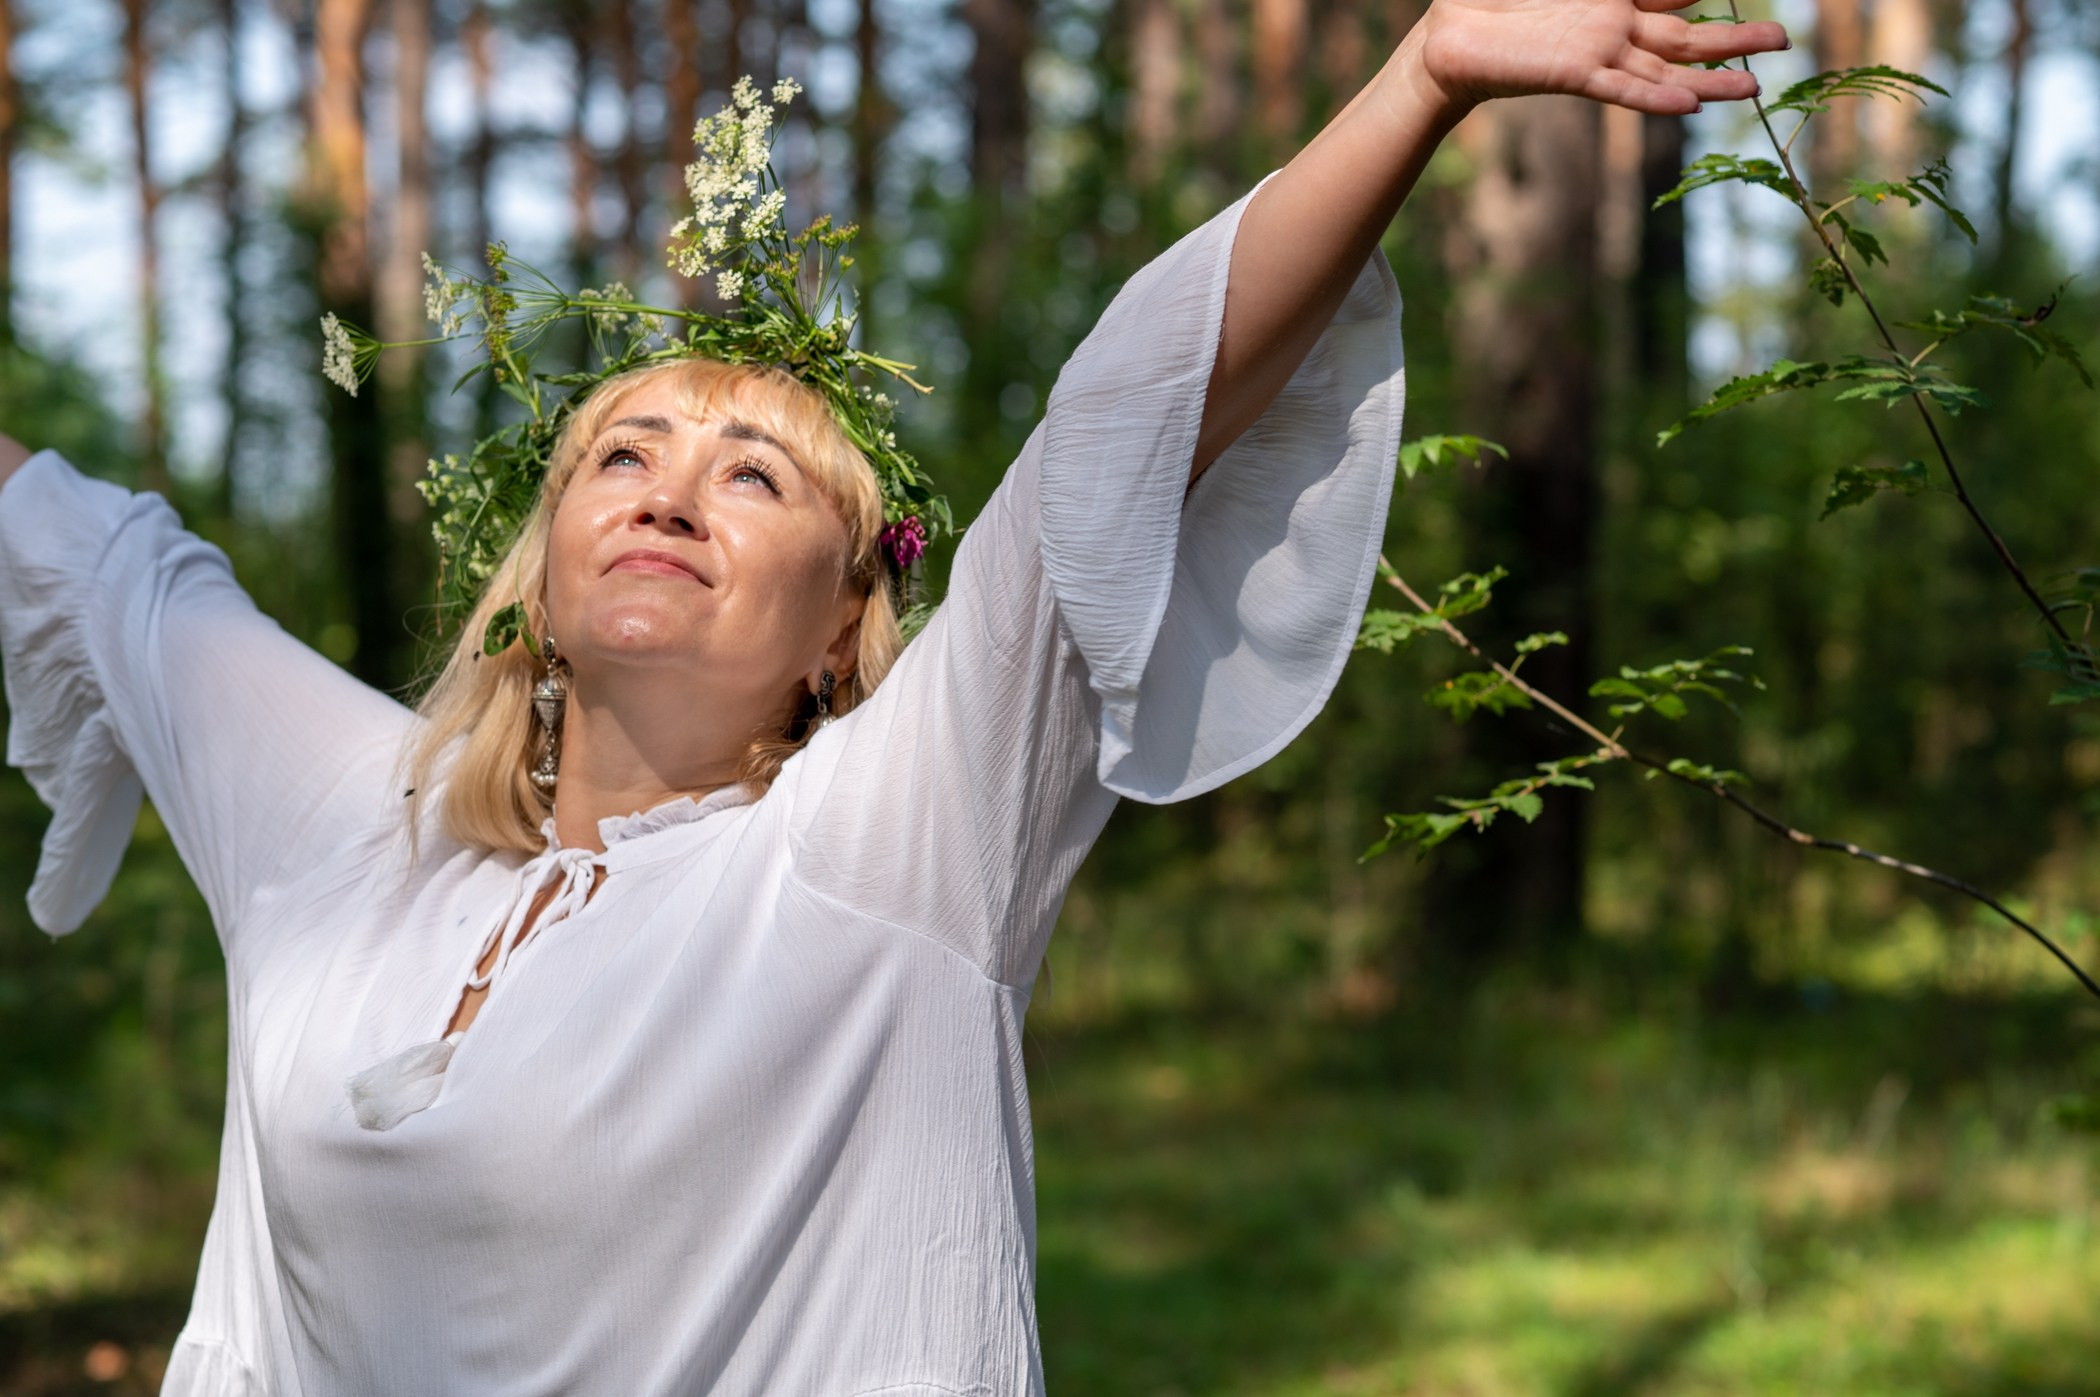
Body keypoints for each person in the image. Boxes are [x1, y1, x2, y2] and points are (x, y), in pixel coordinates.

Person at [0, 0, 1785, 1391]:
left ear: (850, 611)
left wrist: (1424, 77)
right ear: (541, 573)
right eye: (623, 450)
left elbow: (1122, 423)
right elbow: (98, 559)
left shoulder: (887, 843)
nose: (673, 486)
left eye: (755, 477)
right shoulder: (353, 837)